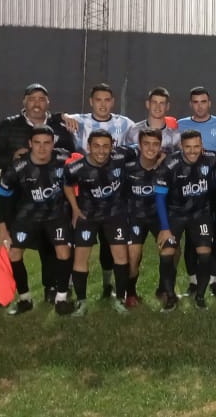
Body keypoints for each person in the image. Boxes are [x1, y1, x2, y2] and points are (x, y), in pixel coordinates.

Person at [0, 83, 76, 306]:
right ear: (24, 102)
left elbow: (71, 158)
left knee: (50, 244)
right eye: (32, 98)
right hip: (16, 195)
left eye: (41, 99)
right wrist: (12, 158)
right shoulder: (9, 125)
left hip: (50, 198)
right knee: (8, 243)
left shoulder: (59, 125)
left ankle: (52, 287)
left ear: (48, 103)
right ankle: (6, 293)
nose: (37, 103)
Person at [0, 126, 74, 315]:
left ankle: (61, 298)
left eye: (46, 143)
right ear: (30, 144)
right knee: (14, 254)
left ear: (53, 144)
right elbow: (0, 196)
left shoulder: (64, 159)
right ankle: (25, 298)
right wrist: (2, 228)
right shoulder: (18, 167)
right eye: (37, 143)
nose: (42, 148)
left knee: (63, 251)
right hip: (27, 215)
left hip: (56, 215)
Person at [63, 129, 133, 314]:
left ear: (112, 147)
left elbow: (143, 149)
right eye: (96, 146)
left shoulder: (121, 156)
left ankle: (120, 299)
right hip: (88, 216)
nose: (101, 151)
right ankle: (82, 302)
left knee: (121, 257)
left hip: (115, 215)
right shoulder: (75, 167)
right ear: (88, 146)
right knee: (81, 258)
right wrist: (75, 208)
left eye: (105, 146)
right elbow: (67, 185)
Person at [156, 129, 216, 308]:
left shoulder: (212, 158)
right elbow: (160, 197)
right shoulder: (170, 164)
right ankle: (170, 297)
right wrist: (165, 228)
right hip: (175, 214)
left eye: (196, 146)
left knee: (205, 254)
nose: (193, 151)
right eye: (188, 147)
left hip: (200, 214)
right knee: (167, 253)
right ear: (181, 146)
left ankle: (200, 297)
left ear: (202, 145)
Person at [123, 128, 170, 309]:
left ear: (160, 146)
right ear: (139, 146)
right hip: (134, 217)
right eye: (146, 144)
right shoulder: (128, 168)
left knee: (172, 250)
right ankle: (130, 293)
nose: (151, 148)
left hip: (158, 217)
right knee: (133, 256)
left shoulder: (167, 167)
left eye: (155, 144)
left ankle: (164, 289)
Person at [63, 83, 135, 153]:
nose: (103, 104)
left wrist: (126, 152)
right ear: (91, 102)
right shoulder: (77, 120)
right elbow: (57, 118)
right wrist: (64, 116)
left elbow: (139, 143)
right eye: (98, 100)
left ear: (112, 102)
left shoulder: (125, 123)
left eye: (107, 100)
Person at [123, 87, 180, 153]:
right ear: (147, 104)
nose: (157, 107)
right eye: (154, 102)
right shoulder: (134, 131)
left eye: (162, 103)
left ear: (167, 106)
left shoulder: (175, 136)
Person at [177, 86, 216, 151]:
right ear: (190, 104)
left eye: (203, 102)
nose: (200, 106)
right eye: (196, 102)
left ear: (209, 103)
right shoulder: (180, 124)